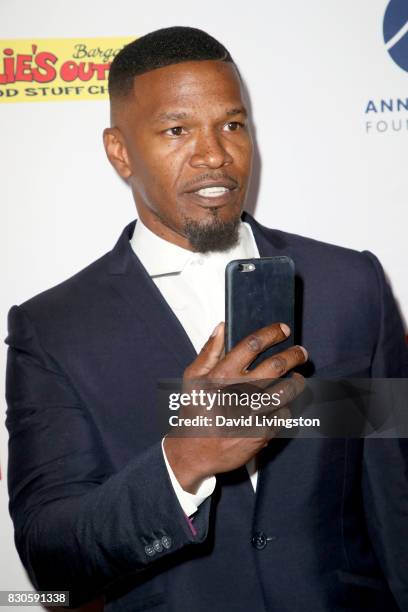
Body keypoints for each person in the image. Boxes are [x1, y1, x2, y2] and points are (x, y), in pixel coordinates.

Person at [5, 26, 408, 612]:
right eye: (177, 129)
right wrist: (184, 460)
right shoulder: (56, 329)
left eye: (233, 124)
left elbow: (395, 499)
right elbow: (51, 560)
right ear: (120, 151)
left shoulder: (350, 285)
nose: (215, 153)